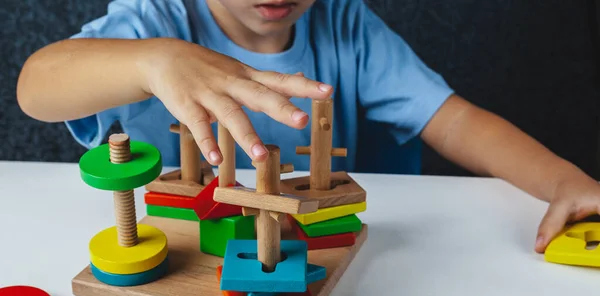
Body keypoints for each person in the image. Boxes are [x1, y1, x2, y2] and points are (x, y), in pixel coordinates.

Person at [15, 0, 600, 254]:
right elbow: (36, 85)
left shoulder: (345, 21)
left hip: (315, 251)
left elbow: (454, 120)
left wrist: (561, 179)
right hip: (183, 250)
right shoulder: (156, 20)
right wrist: (152, 61)